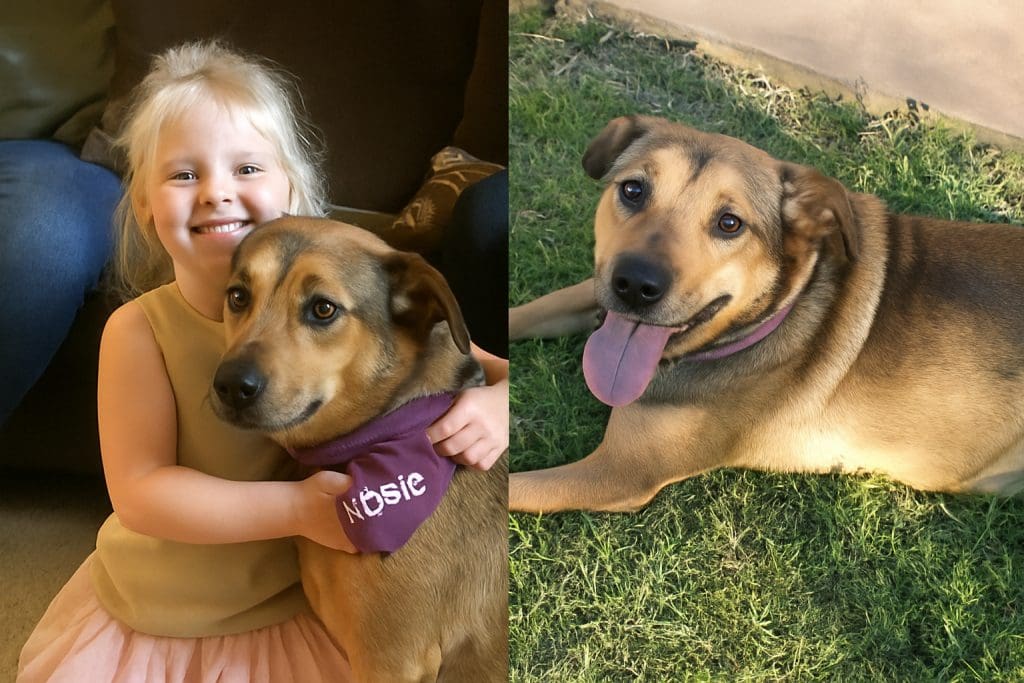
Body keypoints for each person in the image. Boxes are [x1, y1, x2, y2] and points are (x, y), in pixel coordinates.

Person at [17, 41, 508, 682]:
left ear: (290, 193)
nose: (217, 193)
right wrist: (302, 509)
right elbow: (138, 493)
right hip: (171, 602)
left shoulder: (387, 310)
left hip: (285, 598)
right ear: (142, 202)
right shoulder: (140, 329)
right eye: (184, 174)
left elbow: (483, 362)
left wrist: (499, 400)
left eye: (245, 168)